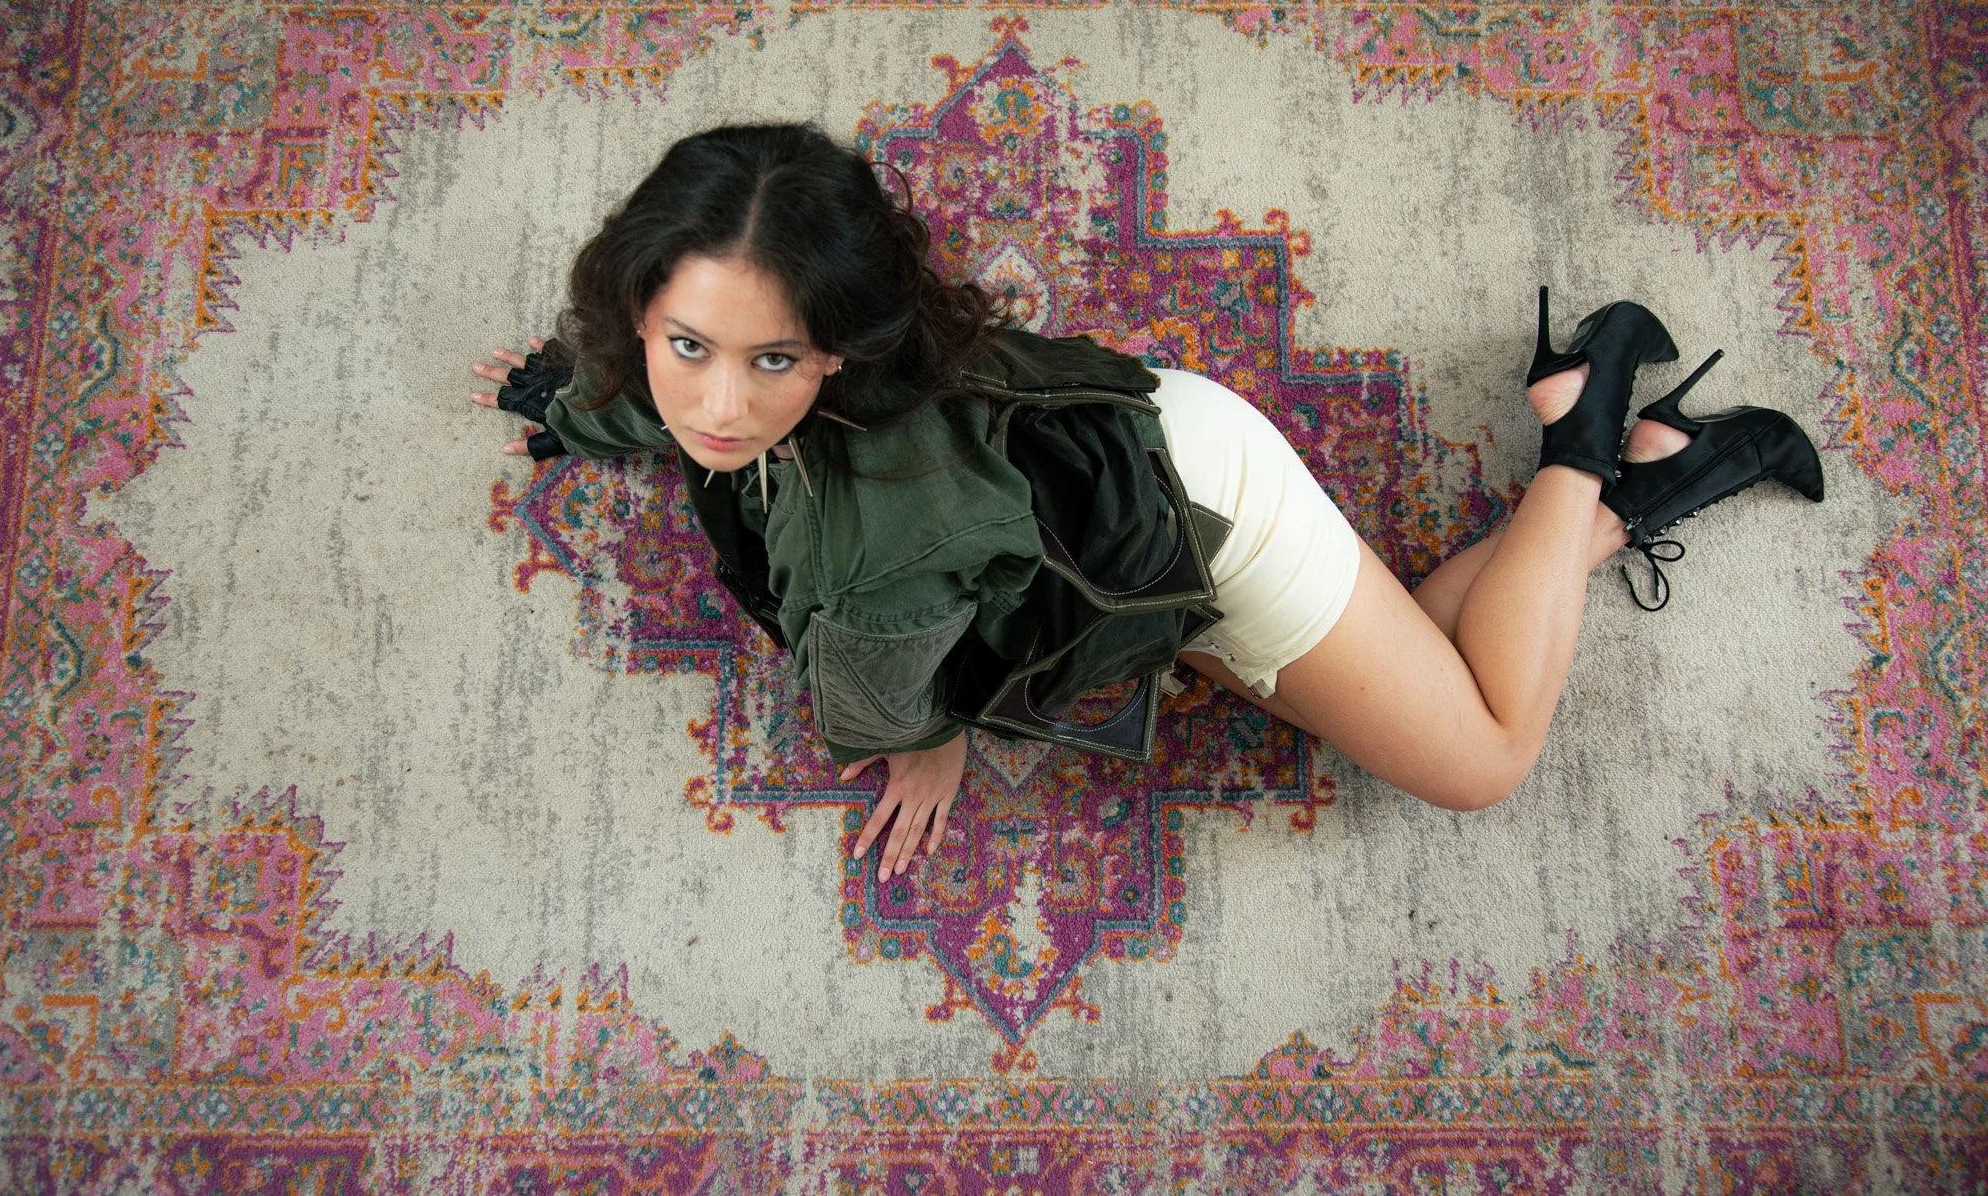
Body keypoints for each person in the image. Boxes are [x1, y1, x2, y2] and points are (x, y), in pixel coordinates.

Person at [473, 122, 1824, 886]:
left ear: (837, 343)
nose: (717, 407)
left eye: (773, 359)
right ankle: (1639, 484)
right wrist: (566, 404)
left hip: (1203, 519)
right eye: (686, 346)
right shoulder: (690, 366)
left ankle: (1585, 441)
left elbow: (881, 691)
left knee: (1482, 759)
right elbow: (640, 394)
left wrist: (928, 744)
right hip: (1137, 451)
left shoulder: (871, 540)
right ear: (641, 313)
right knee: (1419, 651)